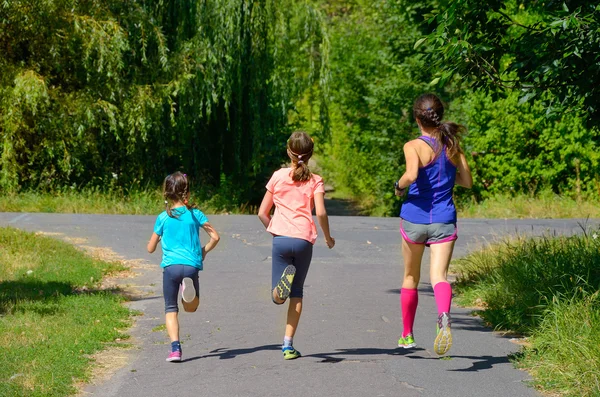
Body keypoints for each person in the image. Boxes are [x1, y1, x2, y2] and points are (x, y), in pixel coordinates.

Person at [394, 93, 472, 355]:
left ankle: (407, 335)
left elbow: (412, 174)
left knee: (410, 277)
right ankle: (443, 318)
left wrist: (398, 186)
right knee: (439, 277)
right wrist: (447, 180)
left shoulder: (413, 145)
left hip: (415, 218)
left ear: (418, 119)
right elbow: (467, 182)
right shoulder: (452, 146)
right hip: (444, 219)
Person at [258, 131, 335, 360]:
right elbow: (320, 211)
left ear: (288, 151)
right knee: (298, 293)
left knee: (277, 298)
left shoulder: (278, 176)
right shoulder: (316, 180)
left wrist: (275, 227)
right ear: (310, 154)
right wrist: (328, 237)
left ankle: (278, 293)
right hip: (303, 239)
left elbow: (262, 213)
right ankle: (288, 345)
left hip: (281, 238)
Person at [147, 171, 220, 362]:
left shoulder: (163, 217)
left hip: (171, 267)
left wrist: (160, 238)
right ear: (186, 193)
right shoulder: (195, 214)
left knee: (171, 308)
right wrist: (203, 251)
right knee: (191, 307)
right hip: (191, 266)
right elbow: (215, 237)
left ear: (167, 194)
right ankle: (187, 288)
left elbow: (150, 248)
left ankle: (175, 350)